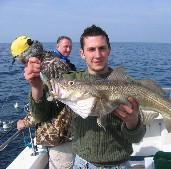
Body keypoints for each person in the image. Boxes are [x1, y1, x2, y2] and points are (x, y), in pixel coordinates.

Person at [24, 25, 146, 169]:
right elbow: (41, 116)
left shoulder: (128, 85)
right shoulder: (71, 80)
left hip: (120, 164)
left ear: (109, 50)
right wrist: (36, 87)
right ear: (82, 53)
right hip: (83, 164)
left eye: (102, 48)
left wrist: (132, 121)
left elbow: (136, 138)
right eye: (91, 49)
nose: (97, 55)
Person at [14, 35, 76, 169]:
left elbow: (47, 106)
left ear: (24, 56)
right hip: (62, 135)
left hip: (61, 137)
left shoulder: (47, 68)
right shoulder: (51, 61)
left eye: (19, 60)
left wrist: (24, 122)